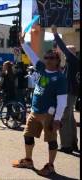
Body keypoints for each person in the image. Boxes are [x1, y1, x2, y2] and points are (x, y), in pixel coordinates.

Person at [12, 33, 67, 176]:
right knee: (27, 135)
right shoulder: (42, 68)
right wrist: (23, 43)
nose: (48, 60)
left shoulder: (60, 78)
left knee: (51, 140)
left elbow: (62, 101)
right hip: (34, 111)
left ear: (57, 60)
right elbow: (32, 56)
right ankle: (28, 160)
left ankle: (50, 166)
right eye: (46, 57)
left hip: (48, 114)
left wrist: (57, 119)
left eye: (52, 58)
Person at [52, 25, 80, 153]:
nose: (64, 55)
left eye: (66, 53)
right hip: (73, 93)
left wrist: (55, 34)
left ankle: (66, 146)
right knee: (70, 118)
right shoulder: (74, 63)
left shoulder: (73, 60)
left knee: (64, 118)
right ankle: (73, 143)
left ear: (71, 53)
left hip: (69, 93)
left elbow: (63, 47)